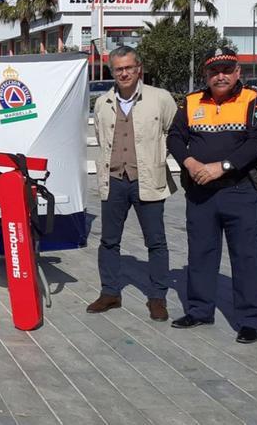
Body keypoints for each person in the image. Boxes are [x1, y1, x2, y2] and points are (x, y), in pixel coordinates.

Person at [167, 47, 257, 344]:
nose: (221, 76)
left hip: (240, 190)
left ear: (238, 72)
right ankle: (200, 310)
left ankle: (251, 320)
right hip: (201, 193)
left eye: (227, 70)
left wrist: (222, 167)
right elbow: (175, 137)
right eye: (214, 71)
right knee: (200, 254)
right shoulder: (190, 102)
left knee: (247, 257)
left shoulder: (253, 99)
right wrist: (189, 162)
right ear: (206, 75)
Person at [87, 46, 177, 321]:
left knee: (156, 242)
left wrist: (158, 158)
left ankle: (157, 297)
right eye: (118, 69)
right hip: (114, 180)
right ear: (112, 71)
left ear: (139, 68)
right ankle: (110, 292)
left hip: (148, 180)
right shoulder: (103, 102)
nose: (124, 73)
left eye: (128, 67)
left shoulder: (160, 98)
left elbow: (174, 133)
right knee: (109, 241)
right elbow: (102, 138)